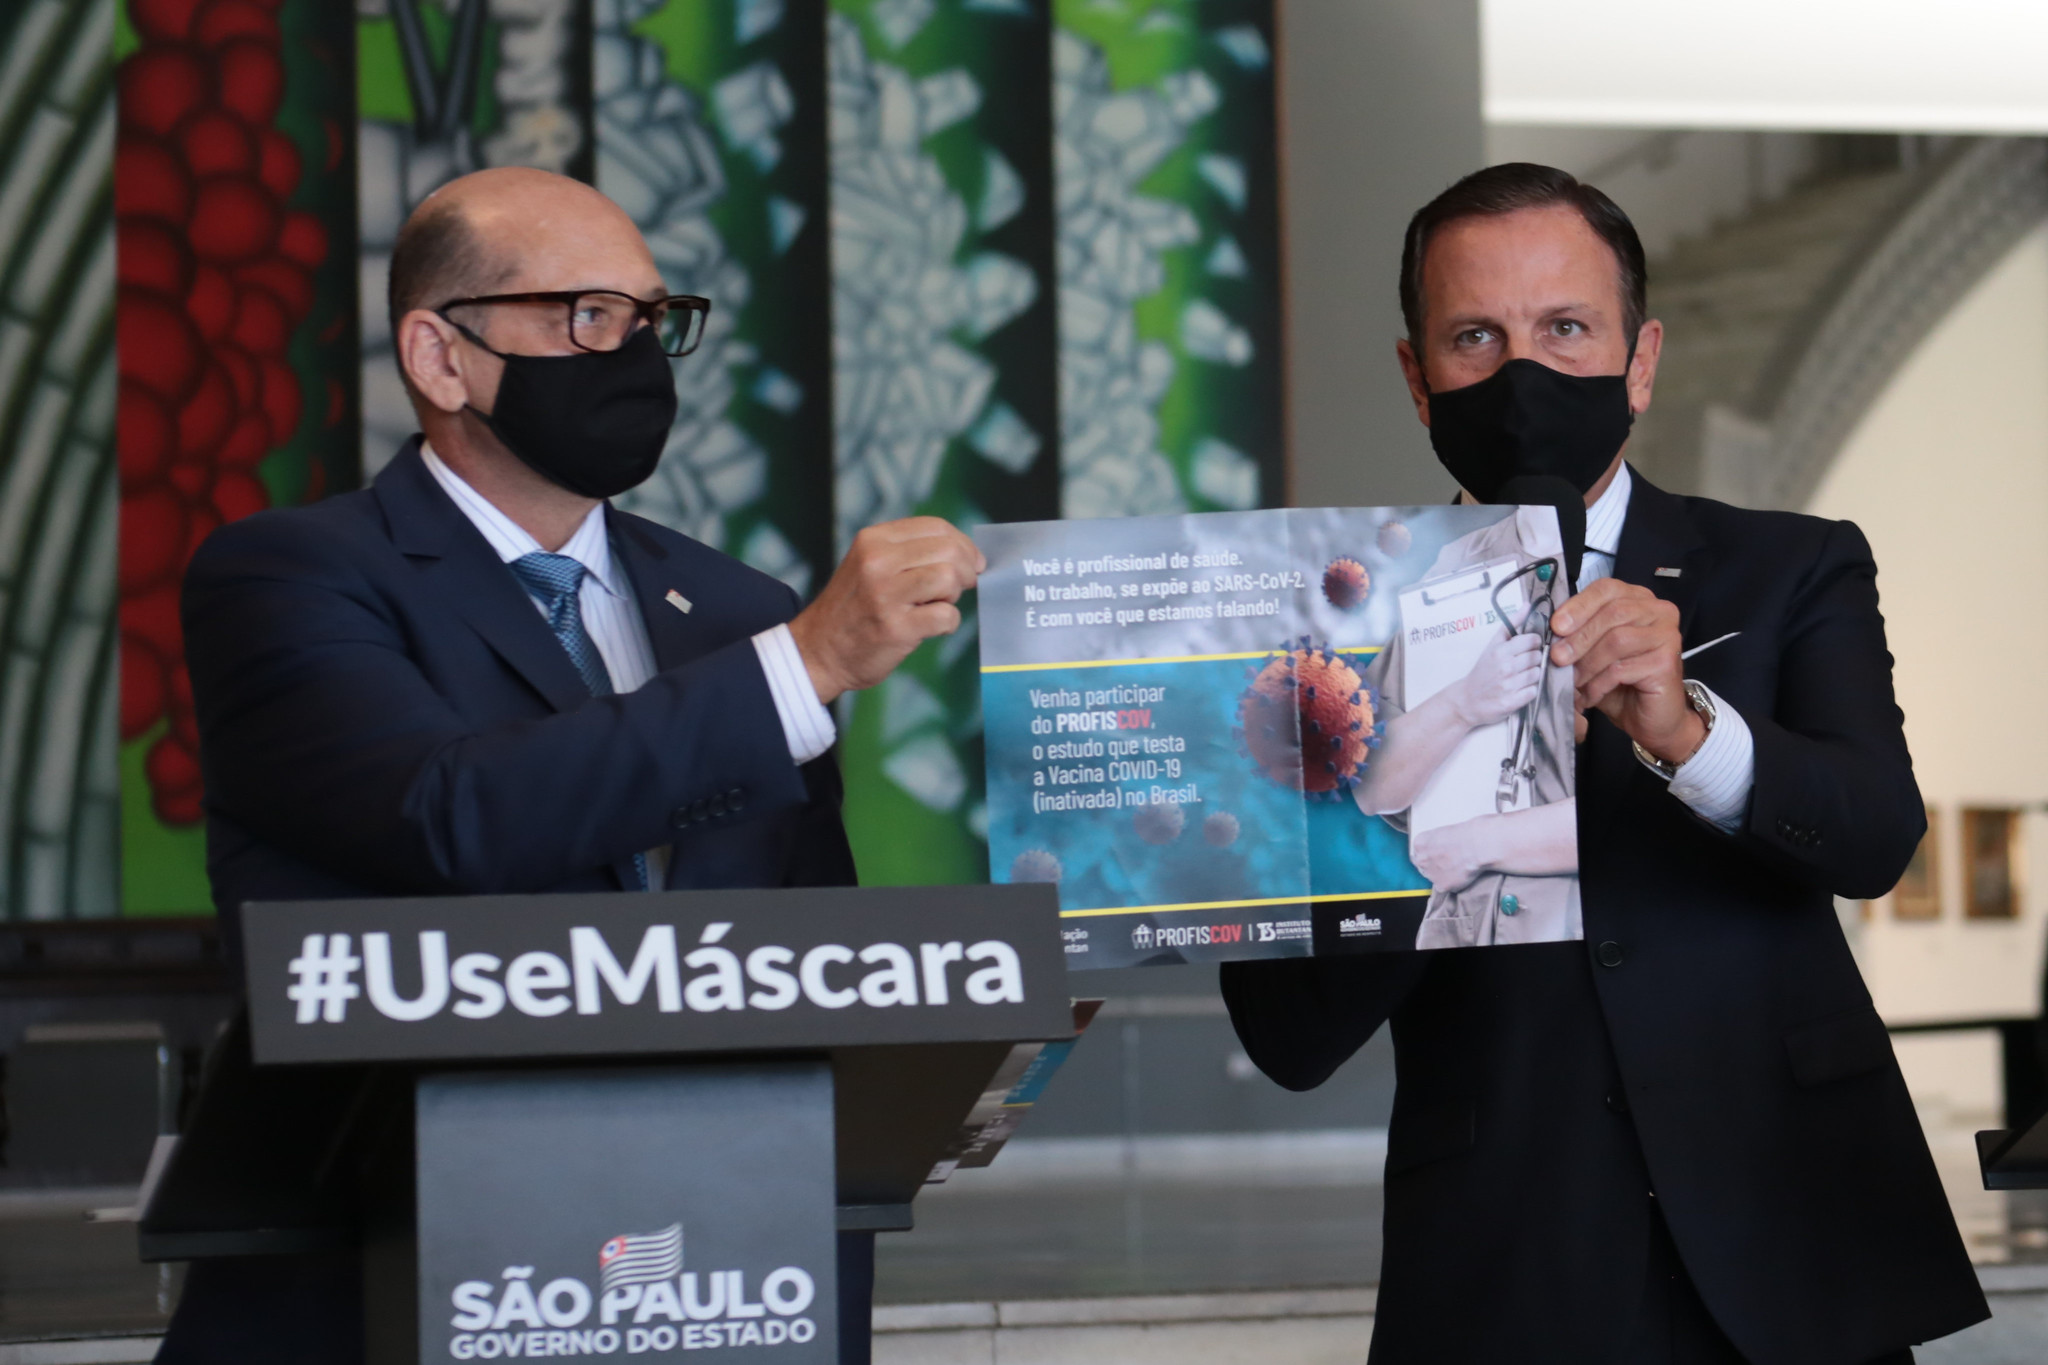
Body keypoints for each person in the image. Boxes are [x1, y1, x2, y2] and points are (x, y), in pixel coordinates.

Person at [159, 168, 980, 1365]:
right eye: (586, 316)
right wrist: (804, 664)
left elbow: (814, 956)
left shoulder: (737, 612)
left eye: (653, 318)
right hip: (397, 1279)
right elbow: (451, 813)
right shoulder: (287, 577)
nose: (633, 355)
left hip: (732, 1274)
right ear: (440, 357)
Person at [1222, 164, 1988, 1363]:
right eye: (1474, 337)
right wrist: (1439, 764)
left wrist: (1687, 731)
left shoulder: (1792, 566)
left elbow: (1872, 838)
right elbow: (1288, 1031)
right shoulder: (1323, 637)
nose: (1521, 373)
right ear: (1415, 377)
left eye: (1565, 329)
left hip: (1793, 1231)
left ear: (1639, 361)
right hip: (1507, 1258)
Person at [1352, 502, 1579, 948]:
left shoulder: (1641, 567)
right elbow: (1370, 784)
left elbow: (1656, 809)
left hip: (1583, 937)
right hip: (1463, 936)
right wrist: (1465, 703)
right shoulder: (1456, 561)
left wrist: (1477, 844)